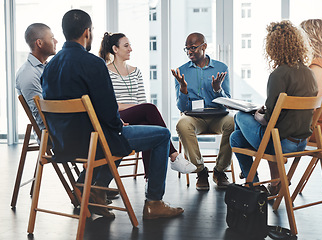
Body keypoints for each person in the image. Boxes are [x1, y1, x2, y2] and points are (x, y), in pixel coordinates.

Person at [41, 9, 184, 220]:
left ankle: (93, 189)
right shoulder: (93, 63)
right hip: (94, 142)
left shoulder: (49, 67)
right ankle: (154, 202)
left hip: (63, 143)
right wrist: (119, 124)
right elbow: (108, 112)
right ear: (87, 32)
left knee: (114, 133)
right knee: (161, 135)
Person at [230, 20, 318, 196]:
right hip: (302, 142)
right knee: (236, 138)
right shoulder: (310, 73)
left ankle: (253, 186)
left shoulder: (278, 74)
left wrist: (257, 115)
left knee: (239, 117)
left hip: (281, 145)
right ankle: (258, 182)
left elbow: (268, 120)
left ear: (273, 47)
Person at [98, 32, 196, 175]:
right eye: (126, 46)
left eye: (130, 45)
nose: (130, 49)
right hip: (117, 116)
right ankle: (174, 156)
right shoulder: (105, 71)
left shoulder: (136, 72)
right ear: (115, 49)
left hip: (137, 115)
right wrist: (137, 108)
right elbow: (112, 105)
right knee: (149, 109)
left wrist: (139, 109)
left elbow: (141, 101)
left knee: (148, 126)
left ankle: (149, 180)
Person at [171, 32, 234, 191]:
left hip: (218, 116)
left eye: (193, 48)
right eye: (187, 49)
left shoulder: (221, 68)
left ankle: (219, 171)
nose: (189, 52)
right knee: (182, 124)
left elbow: (228, 102)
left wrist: (218, 90)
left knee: (234, 123)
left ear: (204, 46)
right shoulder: (181, 71)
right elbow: (182, 108)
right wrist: (183, 90)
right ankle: (201, 171)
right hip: (194, 117)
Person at [16, 23, 58, 136]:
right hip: (51, 133)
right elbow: (41, 117)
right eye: (52, 38)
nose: (56, 41)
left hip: (60, 127)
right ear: (39, 43)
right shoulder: (28, 74)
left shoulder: (47, 67)